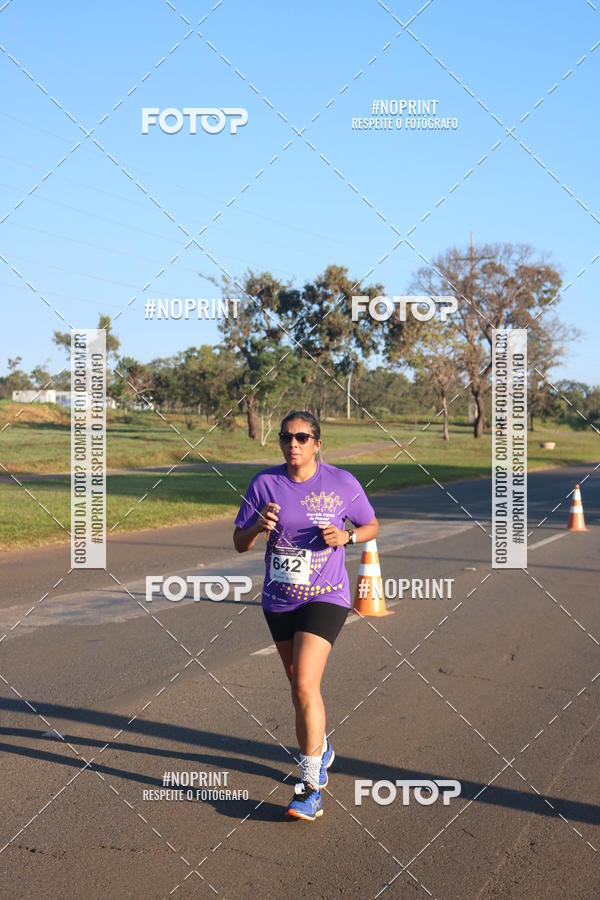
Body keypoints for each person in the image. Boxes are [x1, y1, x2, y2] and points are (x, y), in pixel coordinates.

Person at [233, 410, 379, 821]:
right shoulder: (264, 483)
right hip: (279, 598)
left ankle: (310, 787)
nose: (292, 444)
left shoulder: (341, 482)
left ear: (317, 443)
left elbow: (371, 525)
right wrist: (258, 525)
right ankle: (322, 747)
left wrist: (348, 535)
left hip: (327, 596)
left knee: (303, 682)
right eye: (285, 437)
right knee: (299, 689)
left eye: (301, 437)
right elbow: (238, 542)